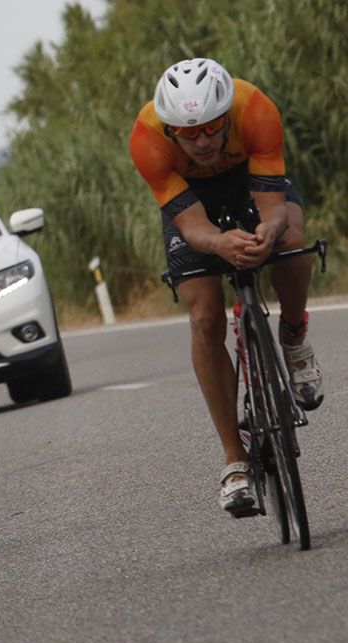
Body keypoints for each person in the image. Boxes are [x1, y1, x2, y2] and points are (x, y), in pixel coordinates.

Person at [129, 58, 323, 517]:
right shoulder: (148, 138)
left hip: (249, 182)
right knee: (203, 317)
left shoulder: (254, 108)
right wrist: (219, 243)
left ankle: (294, 338)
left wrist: (268, 232)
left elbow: (273, 209)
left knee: (291, 242)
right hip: (194, 204)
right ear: (170, 129)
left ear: (226, 116)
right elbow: (193, 226)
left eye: (212, 128)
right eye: (187, 134)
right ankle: (235, 460)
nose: (201, 142)